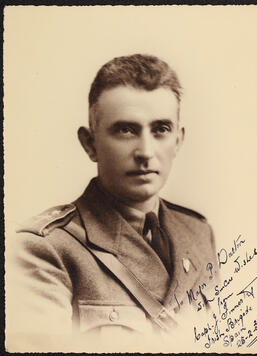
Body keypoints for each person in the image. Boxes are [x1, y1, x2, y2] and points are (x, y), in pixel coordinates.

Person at [8, 54, 218, 351]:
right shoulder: (46, 248)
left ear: (178, 142)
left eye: (160, 130)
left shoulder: (198, 235)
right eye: (126, 130)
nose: (145, 151)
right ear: (90, 144)